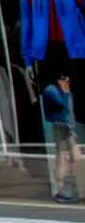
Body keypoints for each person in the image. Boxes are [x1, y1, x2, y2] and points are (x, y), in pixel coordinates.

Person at [44, 72, 79, 203]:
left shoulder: (60, 89)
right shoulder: (51, 90)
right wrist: (65, 91)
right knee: (63, 156)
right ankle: (61, 189)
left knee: (74, 156)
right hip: (60, 124)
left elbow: (69, 110)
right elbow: (63, 105)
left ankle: (71, 187)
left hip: (66, 125)